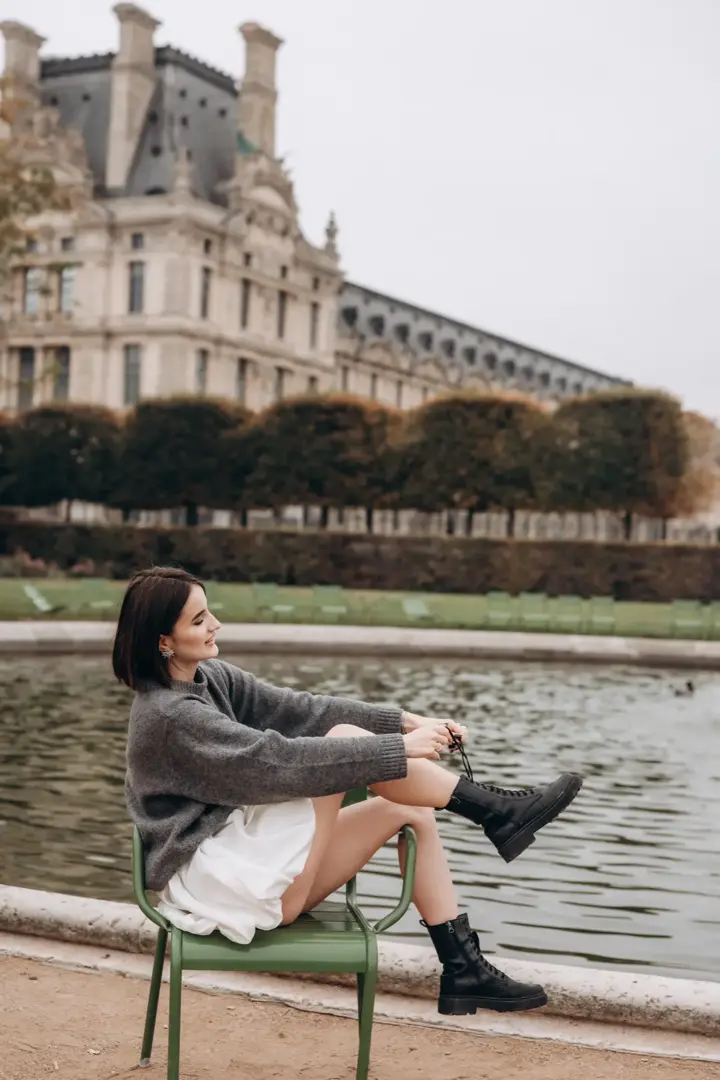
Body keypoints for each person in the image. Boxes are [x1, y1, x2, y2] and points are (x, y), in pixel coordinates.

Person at [114, 566, 583, 1016]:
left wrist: (403, 721)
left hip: (252, 859)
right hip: (225, 883)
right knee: (339, 744)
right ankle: (497, 811)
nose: (216, 624)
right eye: (199, 620)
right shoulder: (171, 717)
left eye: (210, 612)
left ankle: (463, 969)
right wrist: (399, 747)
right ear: (163, 640)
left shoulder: (208, 678)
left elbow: (299, 710)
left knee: (410, 813)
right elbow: (272, 762)